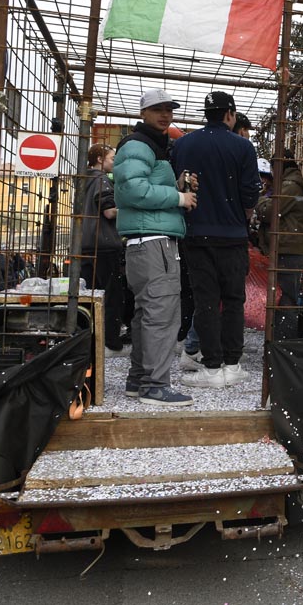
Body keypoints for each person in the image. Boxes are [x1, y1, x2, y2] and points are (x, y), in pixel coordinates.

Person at [114, 89, 197, 406]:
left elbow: (138, 185)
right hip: (153, 244)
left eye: (169, 109)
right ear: (144, 112)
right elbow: (132, 190)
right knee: (161, 316)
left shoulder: (148, 145)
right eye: (157, 109)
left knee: (146, 314)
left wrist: (176, 187)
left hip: (145, 243)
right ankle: (155, 386)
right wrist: (178, 198)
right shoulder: (139, 144)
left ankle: (139, 381)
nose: (165, 114)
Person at [171, 91, 260, 388]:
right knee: (234, 300)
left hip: (196, 233)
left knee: (206, 300)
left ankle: (210, 367)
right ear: (230, 115)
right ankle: (232, 364)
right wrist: (242, 213)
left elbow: (178, 184)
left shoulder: (183, 145)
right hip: (233, 235)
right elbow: (250, 194)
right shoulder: (243, 147)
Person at [80, 143, 126, 357]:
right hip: (105, 244)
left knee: (91, 295)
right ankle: (111, 343)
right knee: (112, 296)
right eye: (112, 159)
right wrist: (130, 208)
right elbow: (109, 212)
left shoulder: (84, 180)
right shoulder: (102, 180)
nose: (114, 163)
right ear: (100, 159)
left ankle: (89, 341)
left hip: (86, 244)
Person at [259, 151, 303, 340]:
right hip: (288, 247)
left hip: (289, 248)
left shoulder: (290, 186)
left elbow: (269, 211)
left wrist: (261, 199)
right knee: (283, 298)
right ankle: (279, 342)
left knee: (286, 300)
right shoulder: (289, 184)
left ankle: (283, 345)